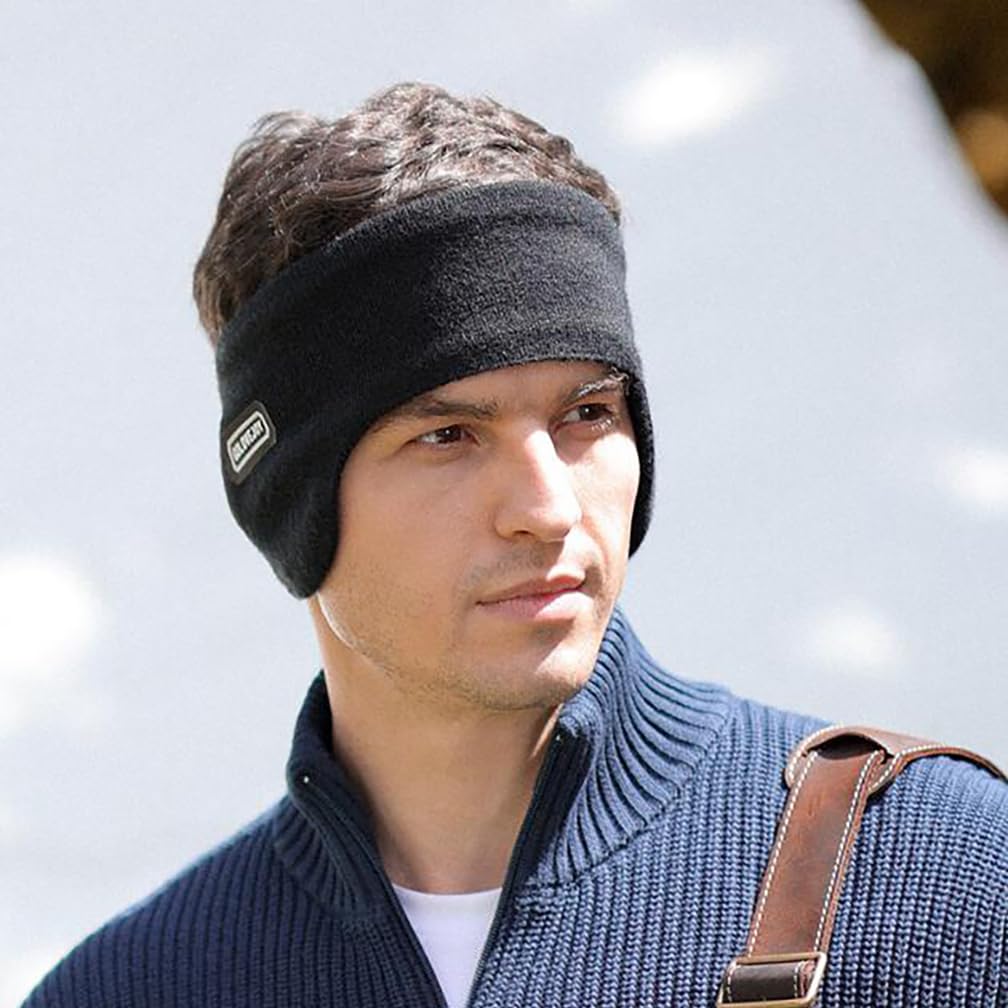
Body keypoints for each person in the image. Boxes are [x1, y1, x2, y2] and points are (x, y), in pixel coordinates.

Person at [24, 82, 1006, 1008]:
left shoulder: (946, 874)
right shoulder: (131, 988)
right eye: (447, 435)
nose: (547, 506)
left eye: (587, 413)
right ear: (288, 502)